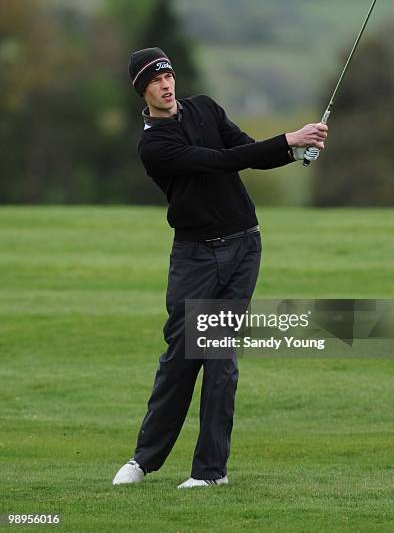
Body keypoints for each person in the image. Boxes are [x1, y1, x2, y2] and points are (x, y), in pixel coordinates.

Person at [112, 47, 327, 488]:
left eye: (168, 75)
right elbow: (217, 162)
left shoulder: (205, 108)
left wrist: (294, 152)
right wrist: (289, 137)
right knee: (180, 357)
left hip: (244, 245)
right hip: (194, 257)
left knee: (219, 356)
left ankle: (210, 473)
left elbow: (246, 150)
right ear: (142, 91)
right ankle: (145, 460)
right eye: (154, 80)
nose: (165, 85)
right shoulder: (154, 145)